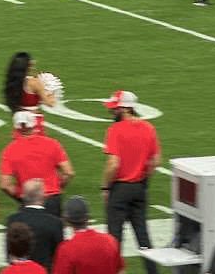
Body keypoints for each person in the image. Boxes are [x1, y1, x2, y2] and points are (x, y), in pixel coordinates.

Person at [101, 90, 159, 274]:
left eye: (115, 108)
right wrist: (143, 178)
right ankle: (153, 272)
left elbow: (113, 164)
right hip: (139, 188)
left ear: (125, 109)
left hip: (119, 189)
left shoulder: (115, 130)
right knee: (143, 237)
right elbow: (155, 160)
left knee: (115, 239)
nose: (112, 112)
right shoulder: (148, 128)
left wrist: (104, 186)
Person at [0, 111, 74, 217]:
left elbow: (4, 185)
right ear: (33, 124)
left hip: (28, 202)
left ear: (15, 127)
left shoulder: (9, 150)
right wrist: (58, 186)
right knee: (54, 231)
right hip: (52, 199)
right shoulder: (52, 143)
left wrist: (20, 196)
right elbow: (69, 172)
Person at [51, 196, 125, 274]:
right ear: (87, 216)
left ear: (66, 219)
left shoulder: (66, 249)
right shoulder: (110, 240)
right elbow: (120, 271)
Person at [6, 179, 63, 270]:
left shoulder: (12, 220)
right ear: (44, 196)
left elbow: (9, 256)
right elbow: (59, 258)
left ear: (23, 196)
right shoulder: (55, 222)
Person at [3, 52, 58, 136]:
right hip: (34, 122)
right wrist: (52, 91)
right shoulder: (34, 82)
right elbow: (50, 103)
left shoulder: (13, 82)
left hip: (19, 122)